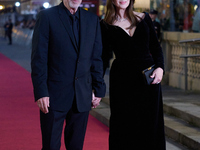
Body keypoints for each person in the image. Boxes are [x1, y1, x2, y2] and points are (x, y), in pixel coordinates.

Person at [31, 0, 106, 149]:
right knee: (51, 146)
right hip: (53, 95)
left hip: (82, 95)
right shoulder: (47, 17)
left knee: (76, 146)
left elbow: (96, 57)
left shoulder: (91, 19)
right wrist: (41, 92)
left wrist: (98, 88)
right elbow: (39, 58)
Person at [100, 0, 166, 149]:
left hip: (148, 79)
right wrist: (96, 86)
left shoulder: (144, 18)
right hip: (122, 80)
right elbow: (103, 57)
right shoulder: (105, 24)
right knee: (123, 123)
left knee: (150, 124)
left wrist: (160, 68)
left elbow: (156, 47)